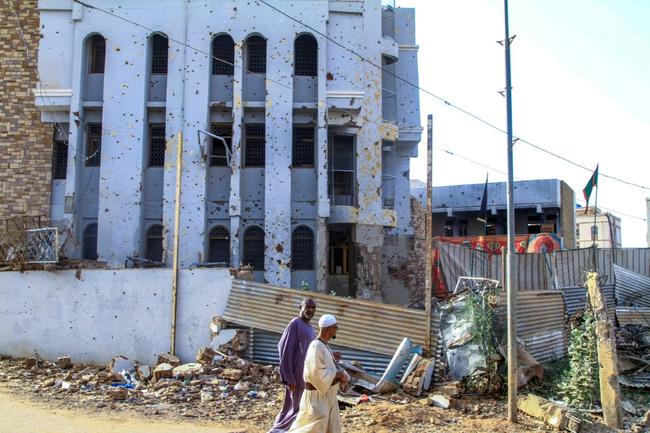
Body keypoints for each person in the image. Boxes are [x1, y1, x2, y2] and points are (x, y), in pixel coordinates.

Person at [288, 314, 349, 433]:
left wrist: (341, 377)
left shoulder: (325, 346)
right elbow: (316, 373)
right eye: (335, 328)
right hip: (316, 400)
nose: (336, 330)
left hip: (327, 398)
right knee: (311, 429)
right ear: (328, 329)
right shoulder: (316, 346)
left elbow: (327, 371)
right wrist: (337, 375)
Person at [268, 298, 317, 433]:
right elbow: (285, 350)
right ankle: (278, 430)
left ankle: (283, 429)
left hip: (305, 376)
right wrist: (288, 377)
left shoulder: (310, 328)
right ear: (300, 307)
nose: (311, 310)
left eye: (313, 308)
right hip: (295, 375)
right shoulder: (295, 324)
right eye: (308, 307)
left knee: (295, 406)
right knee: (296, 406)